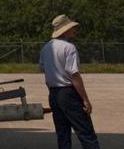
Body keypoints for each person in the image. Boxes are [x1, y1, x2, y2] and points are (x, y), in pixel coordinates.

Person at [38, 13, 101, 149]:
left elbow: (46, 73)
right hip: (69, 93)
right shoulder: (69, 48)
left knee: (63, 134)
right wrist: (85, 99)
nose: (74, 30)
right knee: (86, 133)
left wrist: (53, 93)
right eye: (72, 28)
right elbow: (74, 76)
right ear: (65, 30)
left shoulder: (46, 48)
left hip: (54, 94)